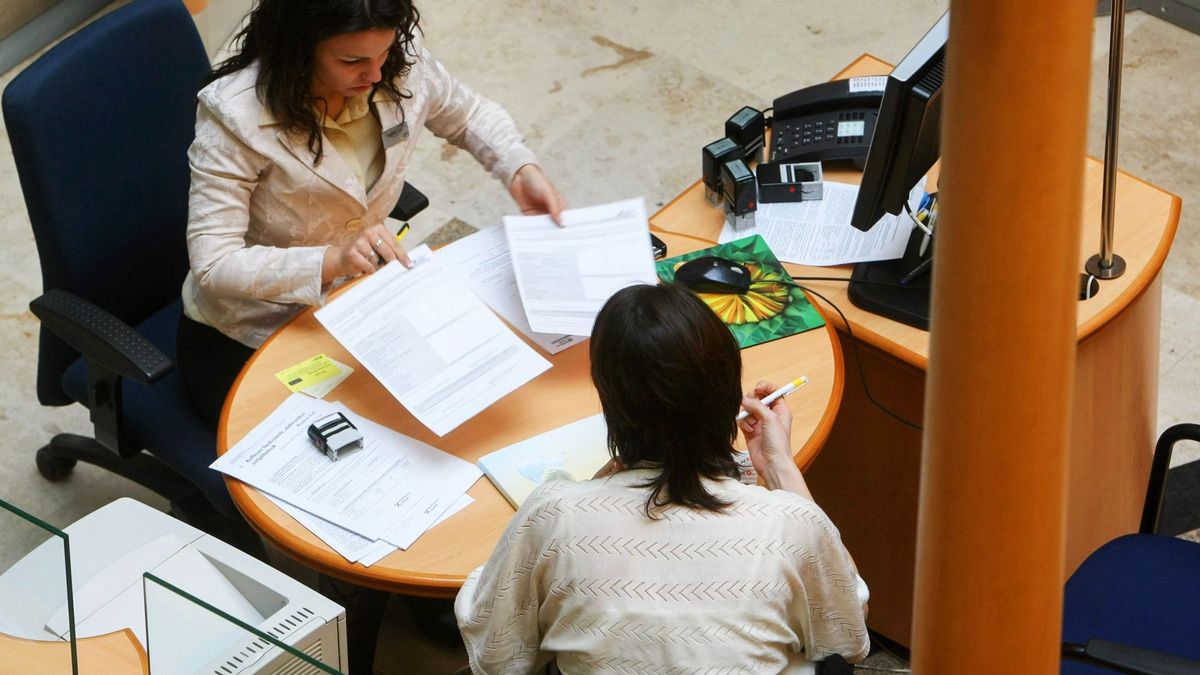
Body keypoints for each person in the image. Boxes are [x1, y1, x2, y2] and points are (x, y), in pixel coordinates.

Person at [177, 0, 564, 428]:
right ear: (299, 46)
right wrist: (331, 260)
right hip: (251, 336)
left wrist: (518, 166)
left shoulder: (394, 57)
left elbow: (468, 113)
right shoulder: (235, 116)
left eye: (383, 53)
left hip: (362, 305)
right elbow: (215, 265)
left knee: (460, 416)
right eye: (352, 61)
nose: (376, 74)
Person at [455, 283, 870, 673]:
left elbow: (497, 656)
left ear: (609, 399)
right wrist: (780, 469)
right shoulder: (790, 524)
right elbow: (848, 628)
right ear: (727, 390)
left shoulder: (555, 515)